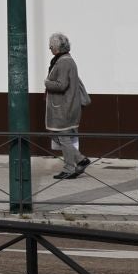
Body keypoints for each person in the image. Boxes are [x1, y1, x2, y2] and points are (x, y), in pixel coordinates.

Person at [44, 32, 92, 180]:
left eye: (51, 46)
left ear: (57, 47)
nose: (50, 49)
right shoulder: (64, 60)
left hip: (64, 107)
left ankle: (69, 168)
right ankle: (81, 159)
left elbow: (62, 84)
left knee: (63, 137)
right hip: (64, 106)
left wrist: (47, 83)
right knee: (57, 135)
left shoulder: (64, 62)